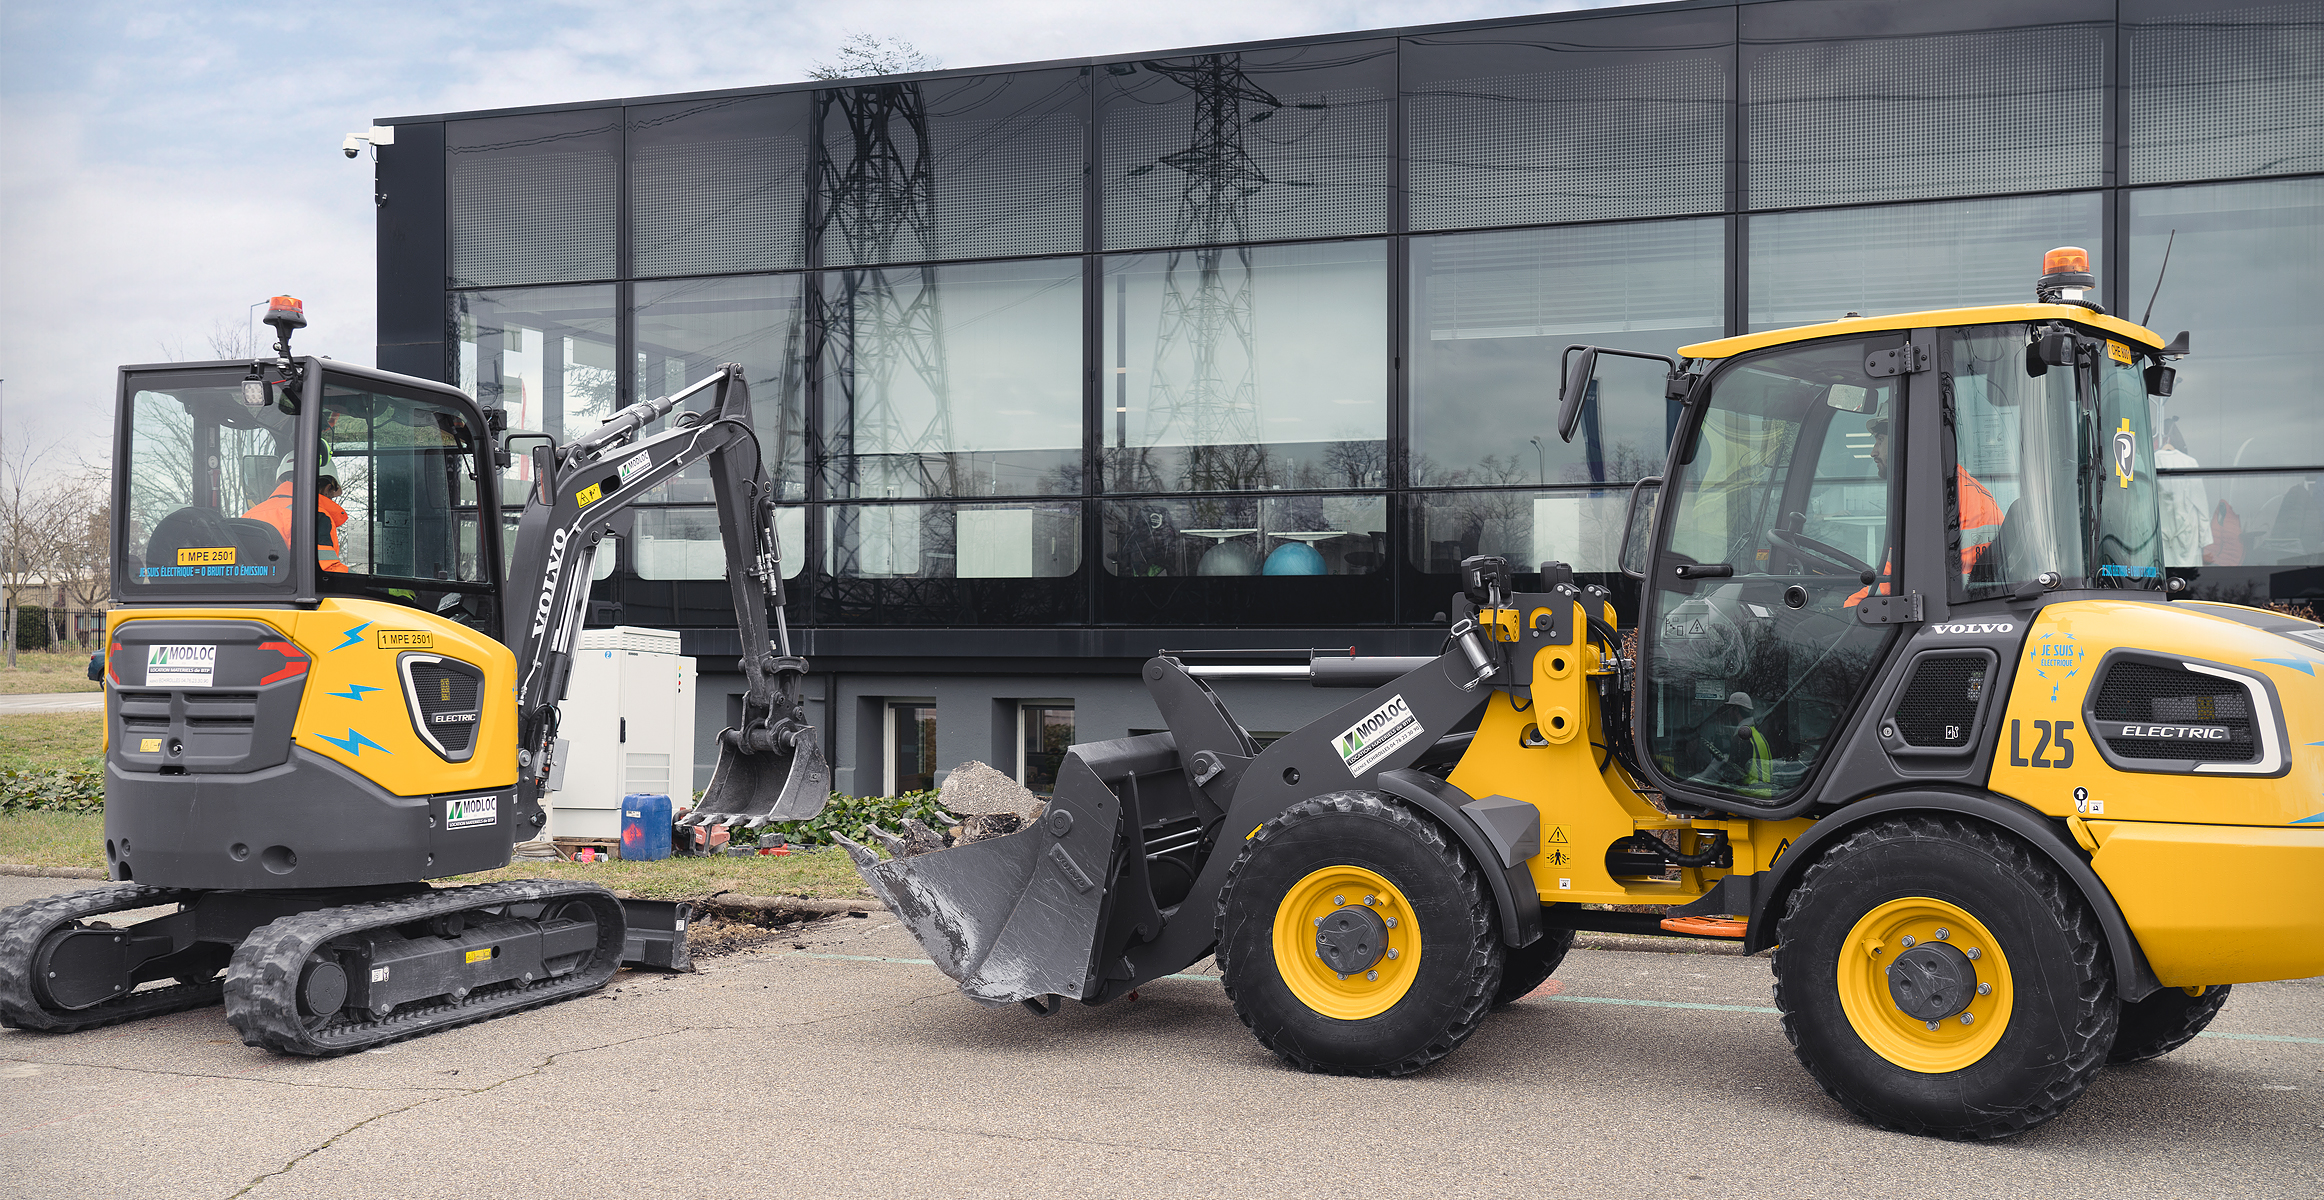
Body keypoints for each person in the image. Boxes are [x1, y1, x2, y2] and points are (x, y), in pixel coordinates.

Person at [1846, 403, 2004, 605]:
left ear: (1903, 440)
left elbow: (1891, 583)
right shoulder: (1956, 485)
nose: (1873, 452)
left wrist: (1848, 606)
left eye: (1879, 441)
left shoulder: (1930, 495)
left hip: (1947, 606)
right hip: (1963, 599)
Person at [244, 451, 349, 573]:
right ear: (328, 488)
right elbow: (325, 570)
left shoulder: (249, 515)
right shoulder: (315, 516)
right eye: (332, 494)